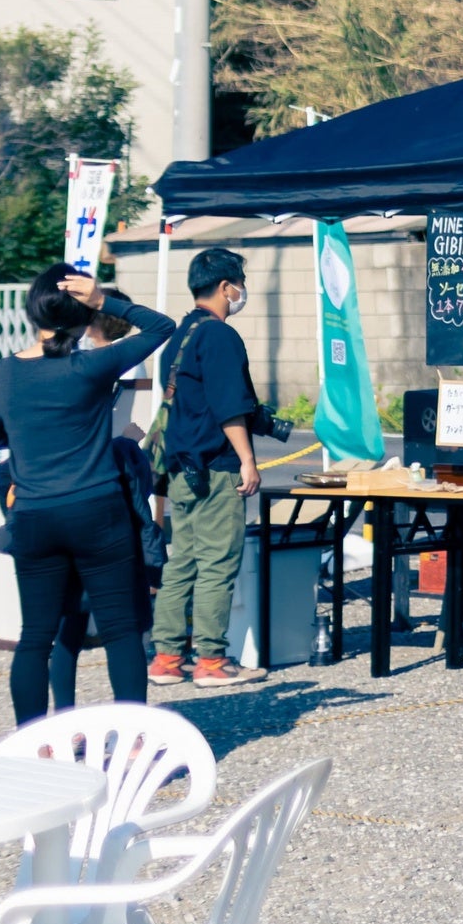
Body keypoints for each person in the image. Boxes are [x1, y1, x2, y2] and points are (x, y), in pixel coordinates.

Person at [0, 273, 177, 724]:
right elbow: (161, 327)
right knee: (121, 632)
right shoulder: (90, 367)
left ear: (33, 311)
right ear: (84, 316)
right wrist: (105, 300)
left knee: (35, 637)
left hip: (34, 516)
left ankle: (33, 749)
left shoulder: (4, 372)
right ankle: (134, 741)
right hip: (97, 511)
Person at [148, 246, 269, 686]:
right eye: (239, 283)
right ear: (225, 286)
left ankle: (165, 659)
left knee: (183, 562)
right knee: (218, 564)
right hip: (216, 467)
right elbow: (229, 407)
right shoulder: (219, 336)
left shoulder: (180, 336)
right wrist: (248, 460)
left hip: (180, 469)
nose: (242, 292)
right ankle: (212, 662)